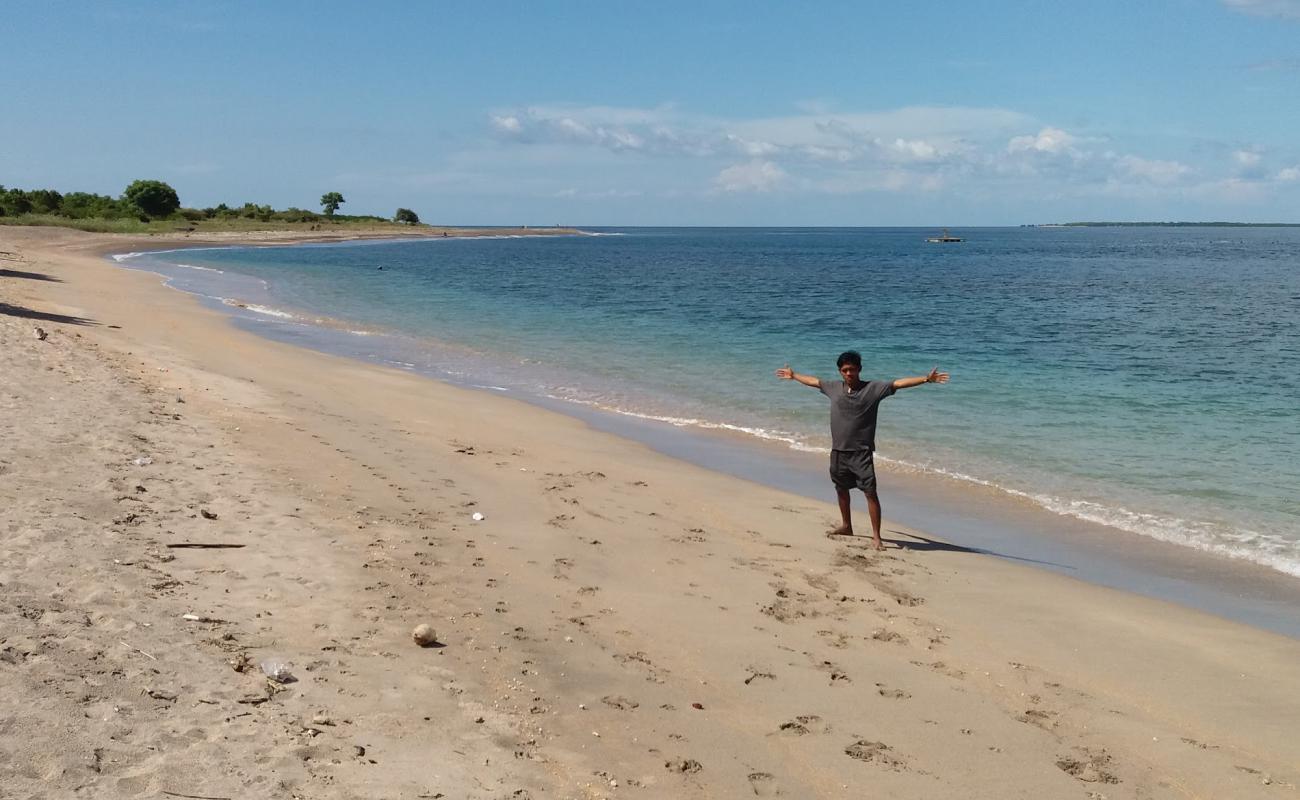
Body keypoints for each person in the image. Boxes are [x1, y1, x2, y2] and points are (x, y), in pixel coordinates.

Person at [775, 351, 949, 550]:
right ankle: (847, 526)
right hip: (838, 451)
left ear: (859, 369)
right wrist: (794, 375)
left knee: (870, 493)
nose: (849, 373)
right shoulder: (833, 388)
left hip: (861, 453)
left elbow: (898, 384)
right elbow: (814, 381)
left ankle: (876, 537)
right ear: (840, 372)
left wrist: (926, 379)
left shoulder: (873, 389)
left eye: (852, 369)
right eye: (845, 370)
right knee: (841, 489)